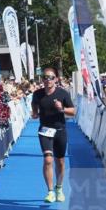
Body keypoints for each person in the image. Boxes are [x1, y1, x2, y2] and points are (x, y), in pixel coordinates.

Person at [31, 67, 76, 203]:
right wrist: (35, 113)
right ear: (42, 79)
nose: (48, 80)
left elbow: (73, 111)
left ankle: (59, 188)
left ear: (55, 79)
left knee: (60, 162)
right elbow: (34, 105)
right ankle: (50, 192)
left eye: (51, 77)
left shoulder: (63, 94)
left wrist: (61, 109)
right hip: (45, 131)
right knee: (48, 160)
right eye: (45, 77)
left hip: (60, 131)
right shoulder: (37, 94)